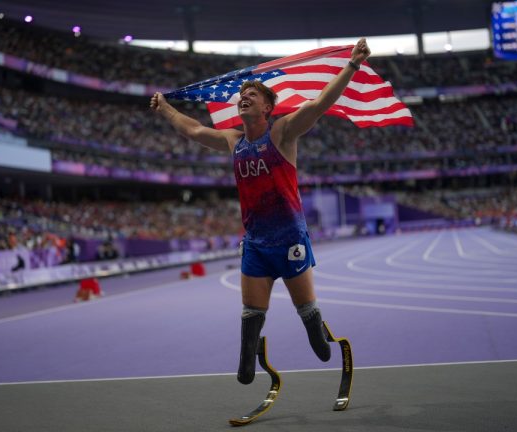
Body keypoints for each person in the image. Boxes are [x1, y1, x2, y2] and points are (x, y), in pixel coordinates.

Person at [151, 38, 371, 384]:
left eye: (251, 94)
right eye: (242, 94)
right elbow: (192, 129)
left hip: (290, 240)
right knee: (251, 312)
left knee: (306, 311)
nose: (244, 97)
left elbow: (319, 103)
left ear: (268, 107)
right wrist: (164, 108)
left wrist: (352, 66)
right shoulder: (233, 141)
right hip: (255, 242)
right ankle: (245, 363)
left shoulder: (283, 133)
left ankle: (316, 329)